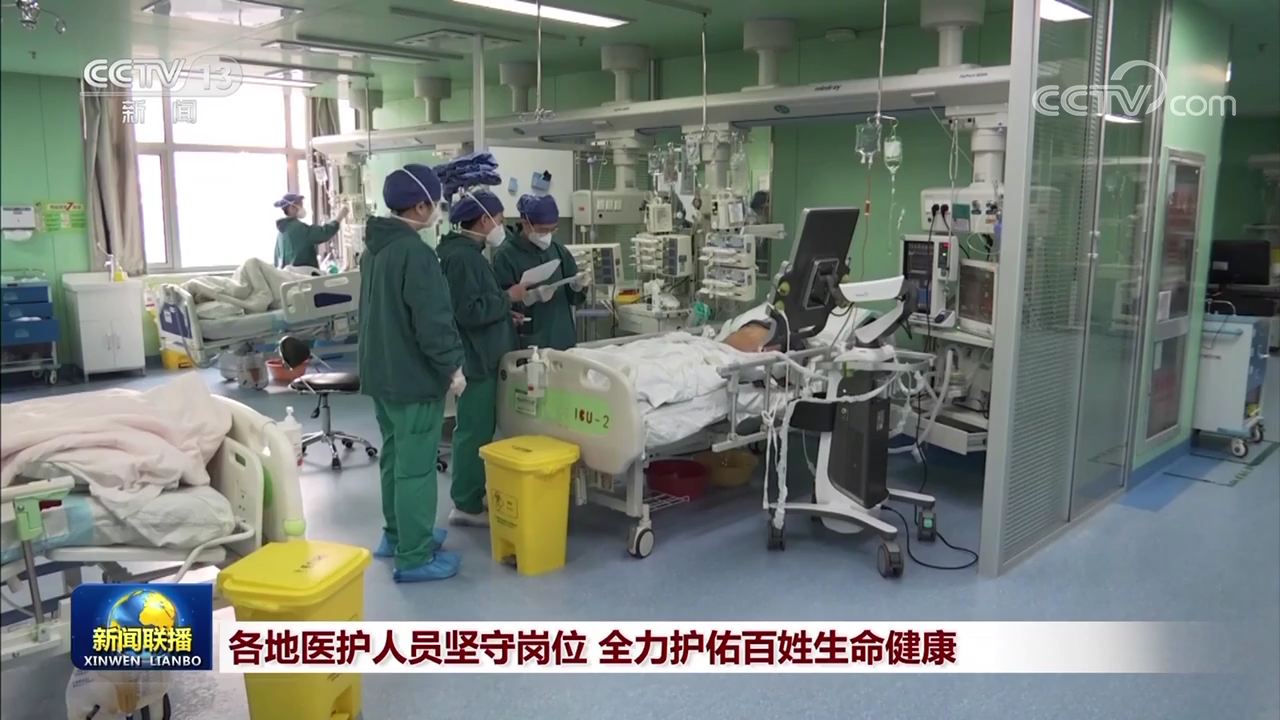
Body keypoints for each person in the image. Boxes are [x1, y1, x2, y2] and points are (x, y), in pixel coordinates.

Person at [357, 163, 467, 583]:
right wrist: (453, 366)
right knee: (416, 468)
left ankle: (397, 534)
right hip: (412, 378)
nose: (438, 209)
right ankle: (415, 556)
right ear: (420, 206)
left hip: (382, 373)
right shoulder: (416, 253)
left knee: (394, 457)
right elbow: (432, 321)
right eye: (435, 202)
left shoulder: (375, 248)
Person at [436, 191, 527, 528]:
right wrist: (508, 298)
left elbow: (477, 302)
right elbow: (468, 311)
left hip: (482, 352)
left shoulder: (465, 254)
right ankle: (466, 503)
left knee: (478, 428)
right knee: (474, 431)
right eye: (500, 220)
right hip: (477, 358)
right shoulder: (463, 259)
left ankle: (472, 493)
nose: (502, 226)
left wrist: (504, 314)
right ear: (484, 220)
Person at [492, 194, 590, 351]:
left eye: (553, 229)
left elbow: (574, 299)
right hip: (530, 342)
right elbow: (498, 305)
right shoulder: (506, 256)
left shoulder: (558, 251)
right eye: (543, 230)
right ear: (526, 223)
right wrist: (530, 297)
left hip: (563, 338)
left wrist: (578, 287)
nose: (548, 235)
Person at [273, 193, 348, 269]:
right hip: (303, 275)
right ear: (291, 208)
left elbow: (277, 262)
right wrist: (339, 217)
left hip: (290, 275)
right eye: (300, 205)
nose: (302, 208)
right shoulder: (297, 228)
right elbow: (323, 233)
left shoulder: (281, 233)